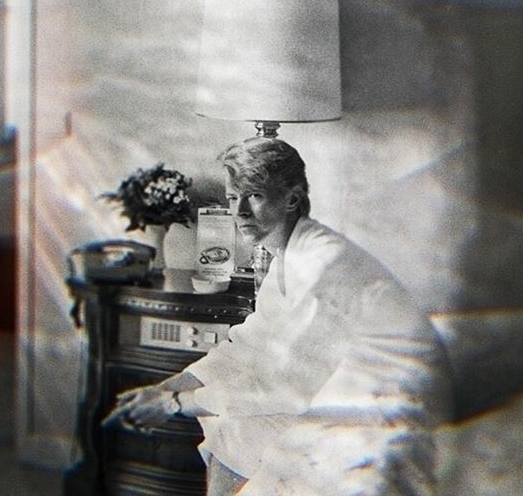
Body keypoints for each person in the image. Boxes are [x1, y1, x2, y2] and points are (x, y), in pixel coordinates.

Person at [103, 137, 450, 495]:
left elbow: (284, 387)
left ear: (292, 199)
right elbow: (247, 344)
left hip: (396, 402)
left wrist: (175, 404)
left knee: (248, 428)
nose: (240, 212)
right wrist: (168, 387)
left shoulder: (319, 262)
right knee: (235, 424)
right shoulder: (287, 254)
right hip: (346, 387)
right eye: (233, 197)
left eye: (254, 195)